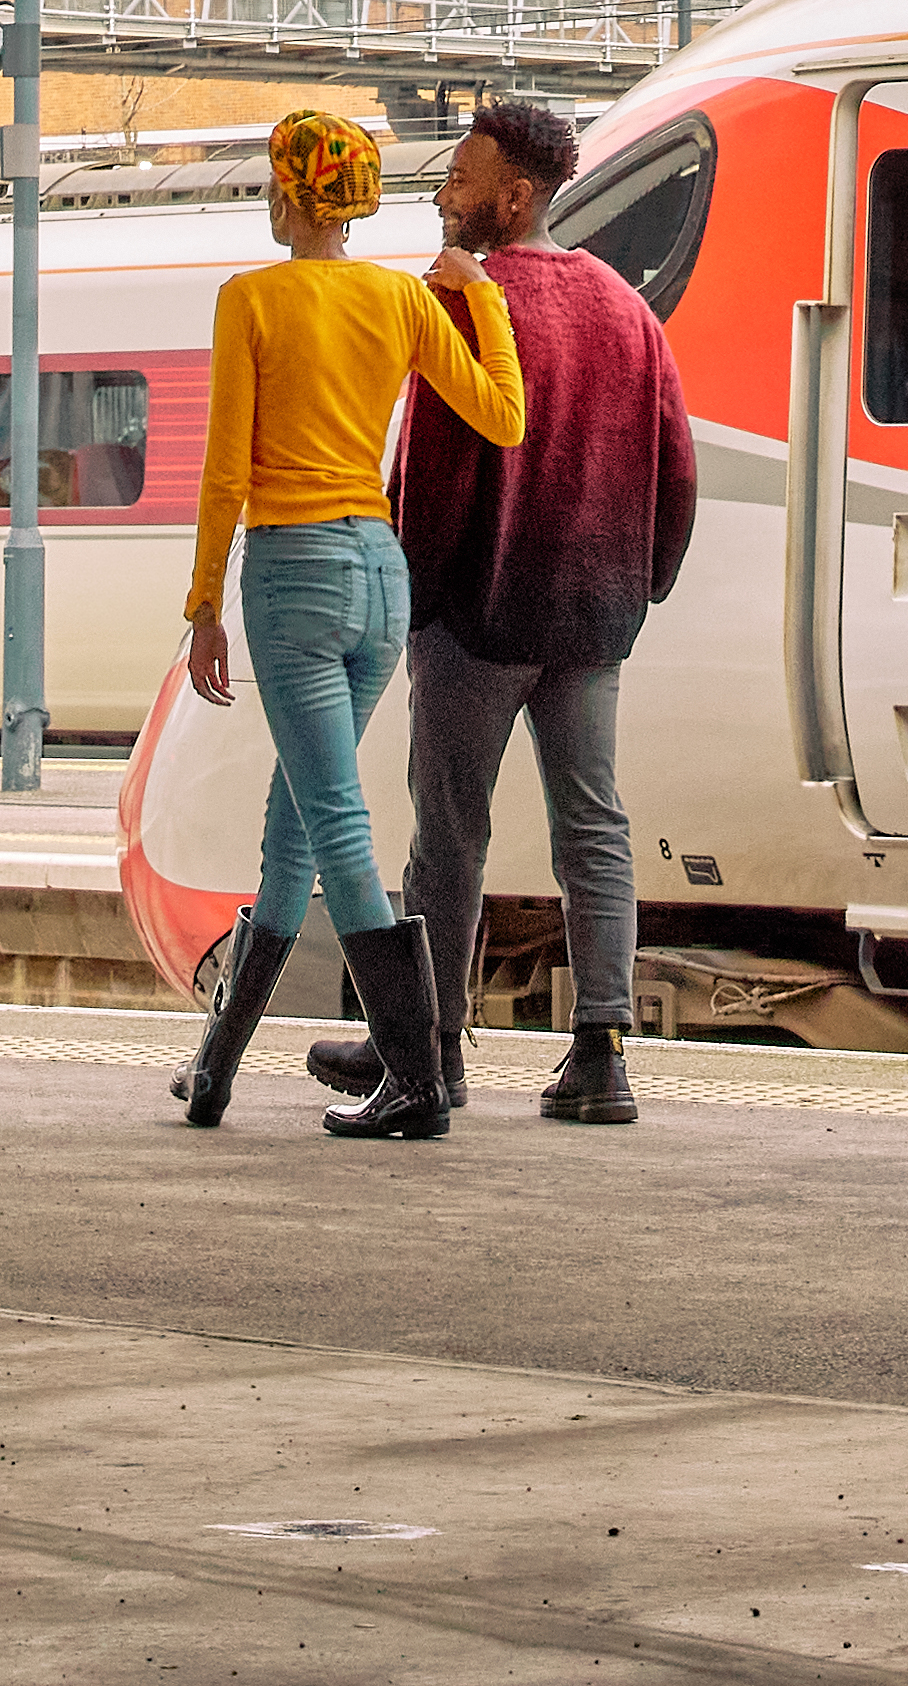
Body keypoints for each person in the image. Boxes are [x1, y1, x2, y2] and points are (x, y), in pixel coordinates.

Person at [302, 93, 697, 1129]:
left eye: (462, 180)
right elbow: (677, 469)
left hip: (477, 614)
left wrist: (412, 602)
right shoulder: (627, 308)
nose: (444, 192)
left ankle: (428, 1056)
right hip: (591, 620)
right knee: (594, 829)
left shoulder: (462, 305)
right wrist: (635, 586)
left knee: (448, 841)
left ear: (513, 197)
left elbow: (426, 475)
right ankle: (603, 1056)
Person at [170, 103, 522, 1141]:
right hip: (380, 575)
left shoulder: (252, 299)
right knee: (295, 826)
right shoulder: (402, 301)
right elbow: (504, 415)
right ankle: (214, 1071)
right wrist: (482, 297)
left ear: (289, 193)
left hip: (294, 573)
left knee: (334, 825)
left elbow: (226, 468)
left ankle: (416, 1080)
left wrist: (202, 605)